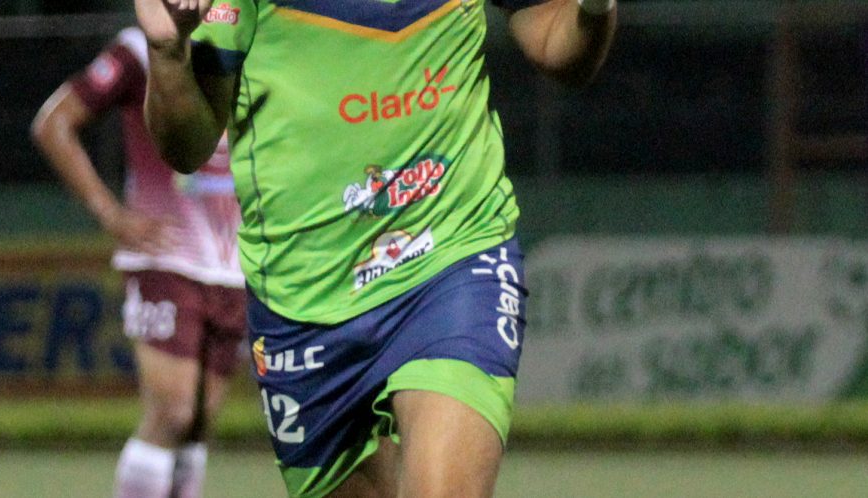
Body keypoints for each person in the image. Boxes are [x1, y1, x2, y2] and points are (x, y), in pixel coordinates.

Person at [135, 0, 616, 496]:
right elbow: (187, 147)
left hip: (450, 256)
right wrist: (169, 53)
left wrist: (595, 9)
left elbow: (557, 43)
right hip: (302, 300)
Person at [30, 26, 246, 498]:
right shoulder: (140, 49)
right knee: (172, 412)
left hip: (237, 266)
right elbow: (54, 123)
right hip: (166, 256)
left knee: (199, 422)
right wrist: (110, 214)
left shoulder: (246, 41)